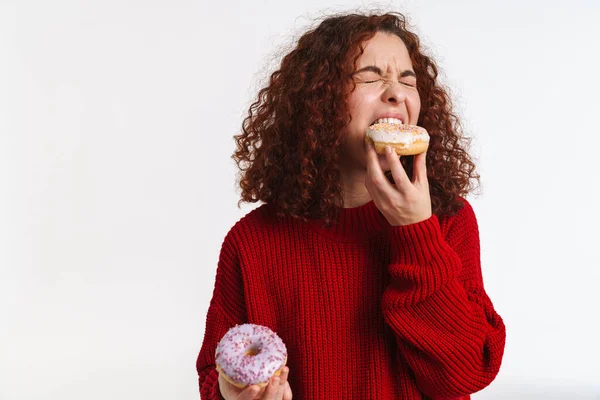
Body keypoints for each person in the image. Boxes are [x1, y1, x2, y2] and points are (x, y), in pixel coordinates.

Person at [197, 11, 506, 400]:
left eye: (407, 80)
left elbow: (467, 372)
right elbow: (216, 373)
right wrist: (233, 394)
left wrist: (416, 232)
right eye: (371, 76)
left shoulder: (447, 220)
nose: (397, 92)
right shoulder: (252, 241)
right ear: (319, 96)